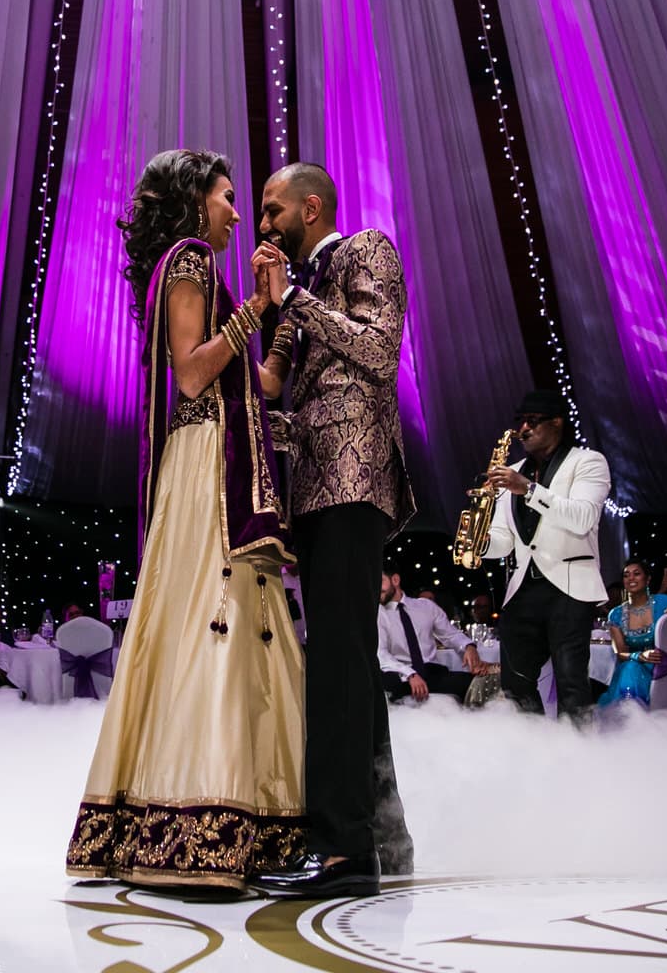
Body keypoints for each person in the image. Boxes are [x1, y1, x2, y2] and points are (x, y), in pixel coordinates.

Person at [67, 150, 305, 893]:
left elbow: (257, 383)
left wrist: (282, 313)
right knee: (217, 625)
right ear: (196, 199)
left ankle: (226, 825)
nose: (239, 213)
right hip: (207, 469)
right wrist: (259, 310)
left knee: (223, 631)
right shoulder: (191, 259)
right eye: (229, 197)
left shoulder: (197, 268)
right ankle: (203, 818)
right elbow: (195, 371)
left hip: (210, 457)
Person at [251, 162, 416, 895]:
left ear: (309, 208)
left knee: (342, 668)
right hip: (313, 494)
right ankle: (376, 837)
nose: (262, 223)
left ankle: (346, 851)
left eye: (270, 208)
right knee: (339, 667)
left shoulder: (366, 249)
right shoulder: (297, 300)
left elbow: (378, 352)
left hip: (354, 487)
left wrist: (293, 301)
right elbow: (298, 403)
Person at [479, 389, 612, 719]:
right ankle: (535, 753)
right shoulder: (513, 470)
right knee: (515, 682)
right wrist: (480, 542)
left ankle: (578, 757)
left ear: (557, 423)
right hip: (524, 587)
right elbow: (505, 541)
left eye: (533, 421)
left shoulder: (588, 461)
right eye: (520, 421)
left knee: (571, 681)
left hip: (569, 585)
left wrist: (528, 489)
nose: (524, 428)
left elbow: (582, 518)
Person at [377, 562, 481, 703]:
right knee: (387, 683)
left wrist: (469, 646)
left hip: (431, 672)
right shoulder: (377, 613)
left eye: (380, 581)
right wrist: (410, 674)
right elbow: (381, 654)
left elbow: (451, 635)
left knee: (474, 683)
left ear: (395, 580)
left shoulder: (426, 606)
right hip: (400, 675)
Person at [598, 561, 667, 710]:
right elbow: (620, 653)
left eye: (636, 574)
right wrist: (640, 656)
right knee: (630, 669)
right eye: (626, 575)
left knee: (631, 670)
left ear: (647, 579)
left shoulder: (665, 603)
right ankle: (632, 719)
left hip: (662, 667)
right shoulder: (616, 614)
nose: (631, 578)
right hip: (632, 666)